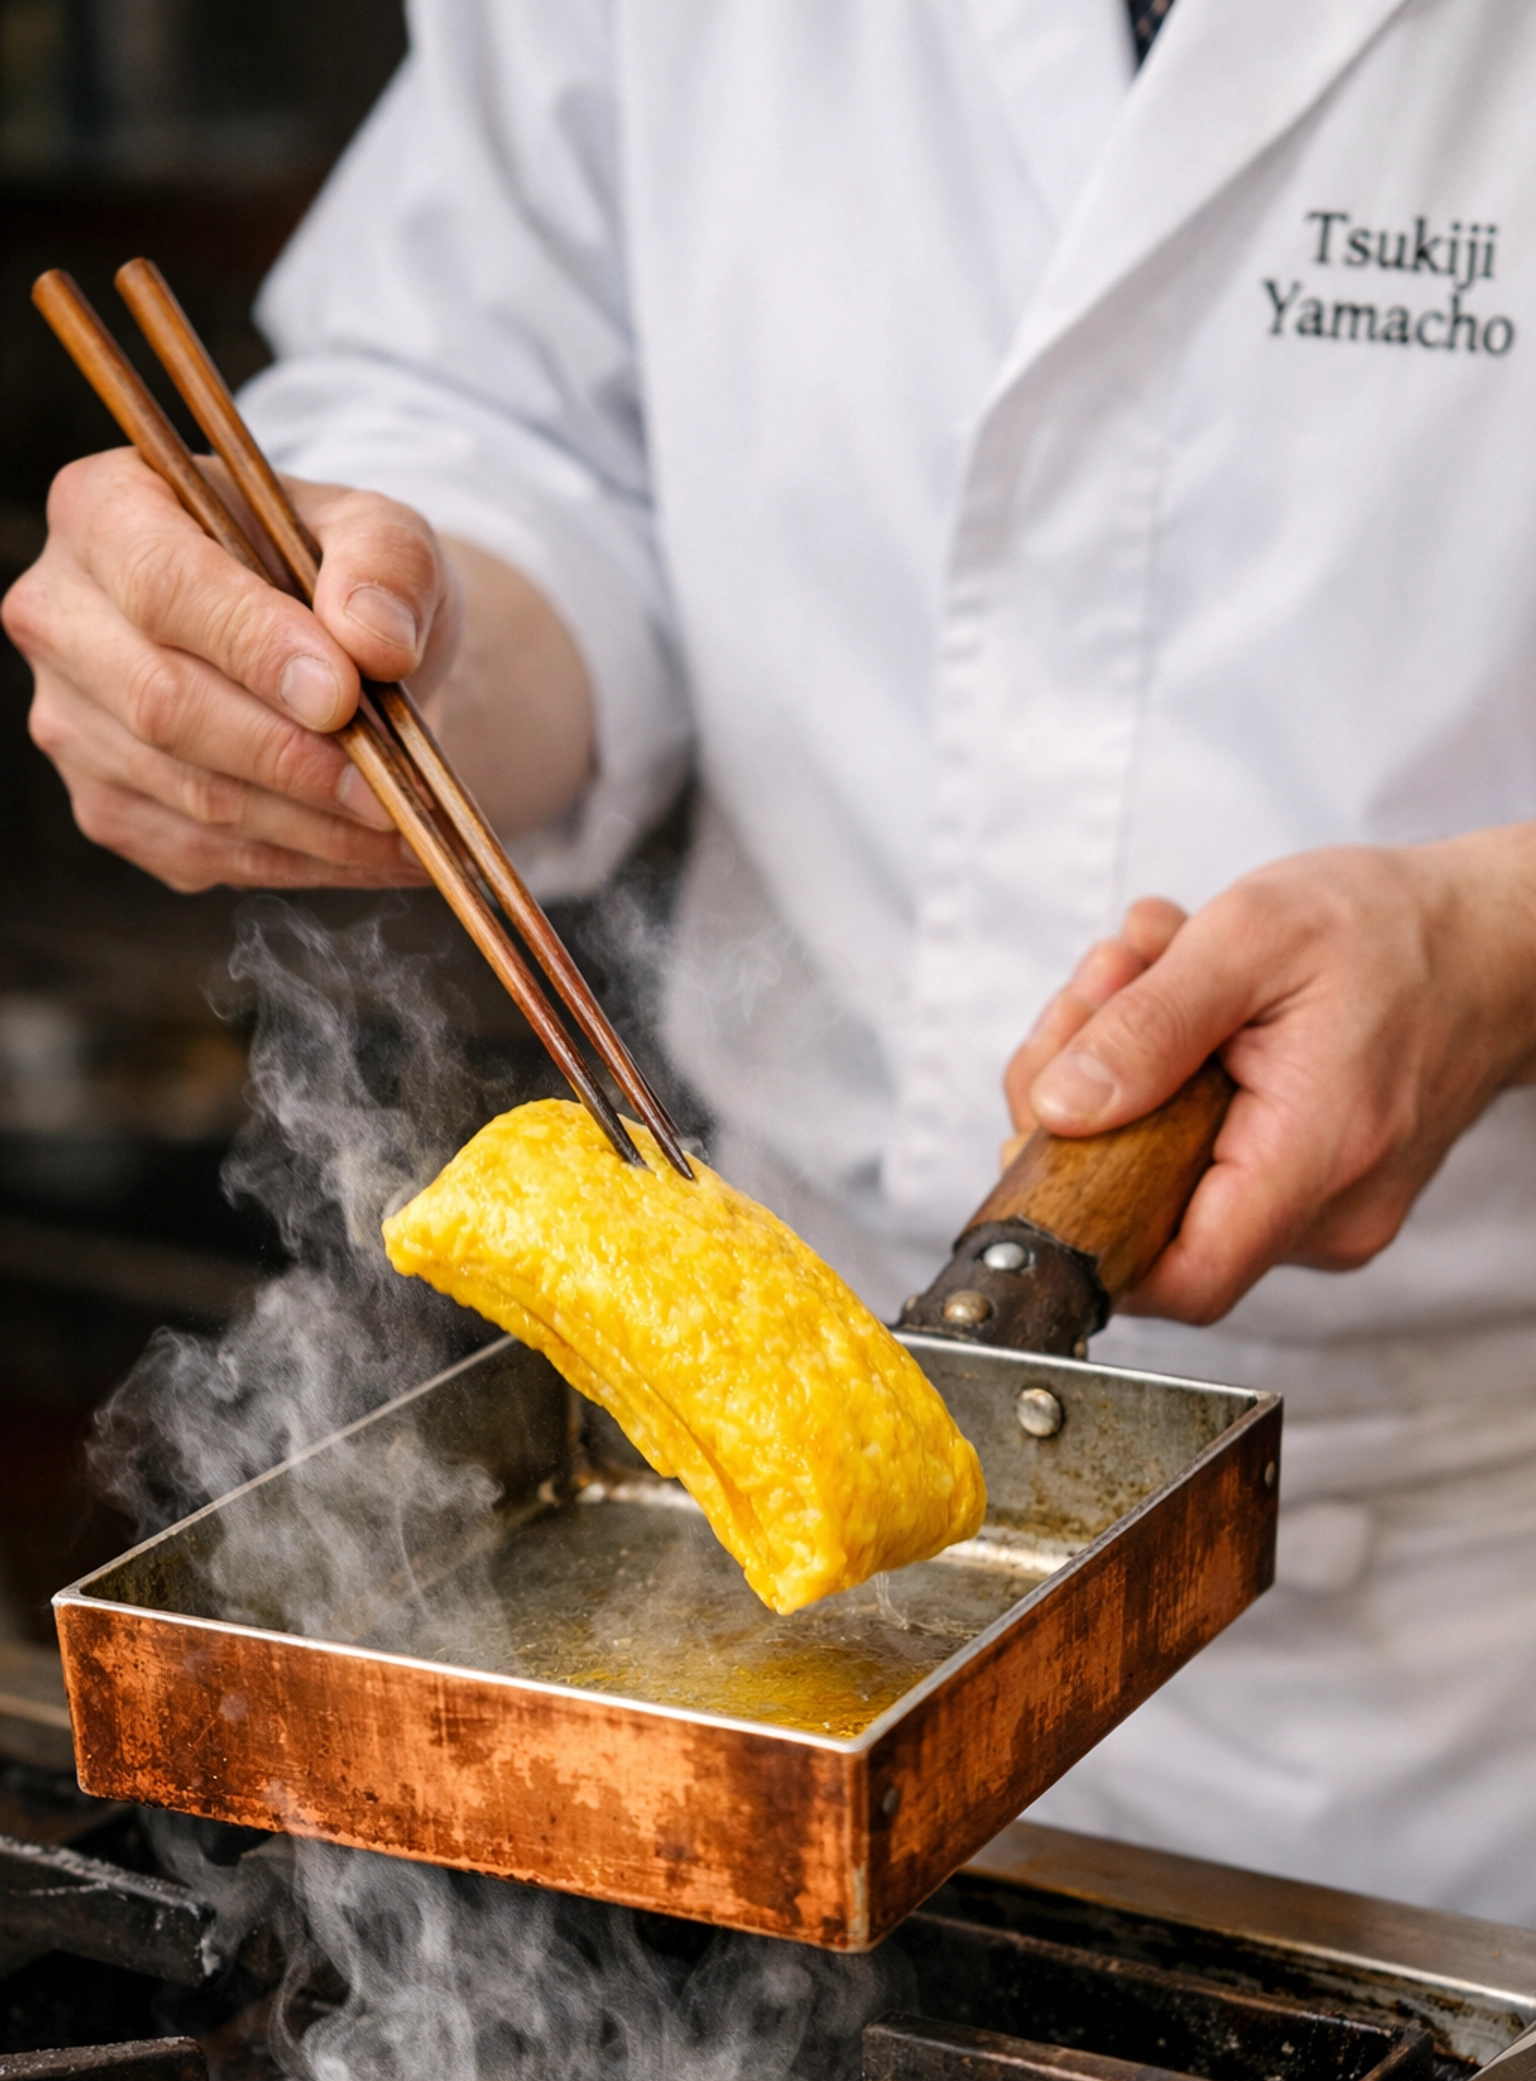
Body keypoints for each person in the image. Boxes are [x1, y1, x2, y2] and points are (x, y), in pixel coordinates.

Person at [7, 1, 1536, 1923]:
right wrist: (388, 649)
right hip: (756, 1527)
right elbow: (501, 411)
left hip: (1478, 1618)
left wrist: (1505, 938)